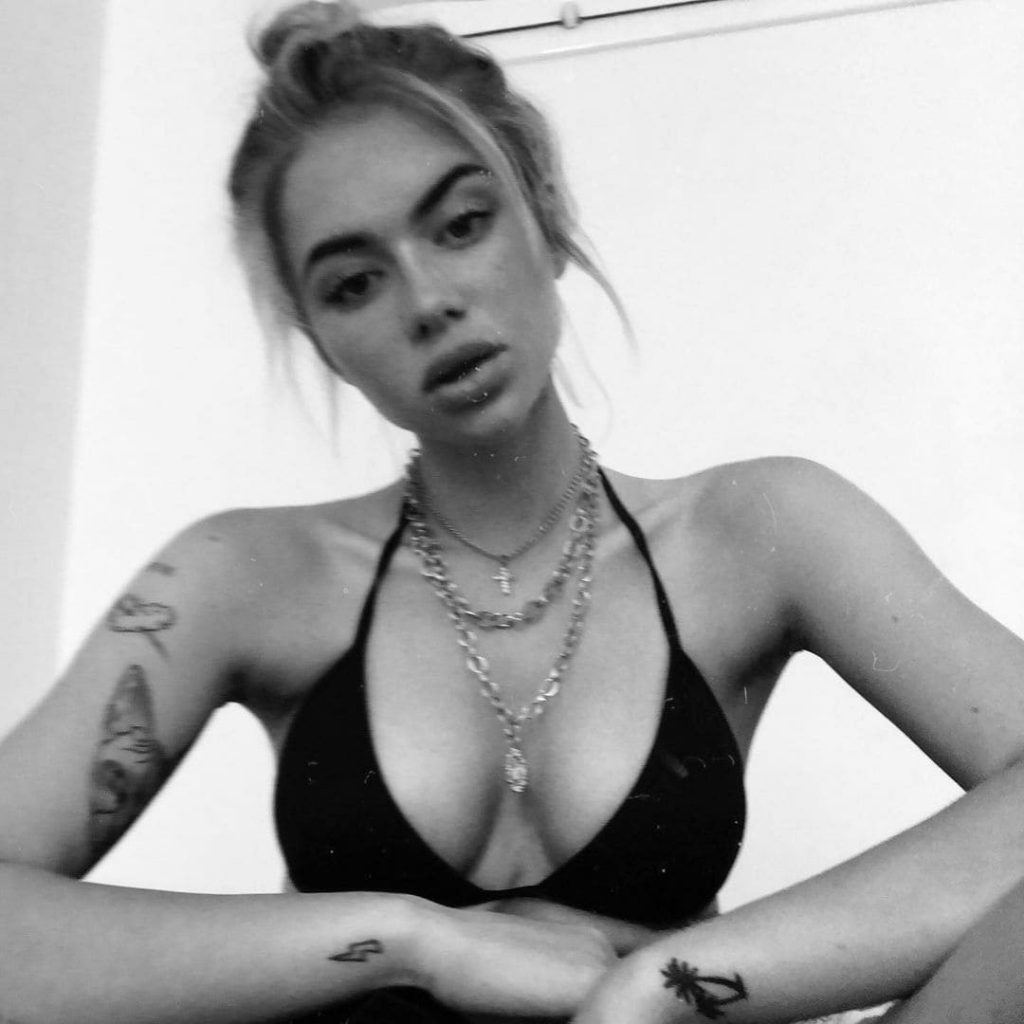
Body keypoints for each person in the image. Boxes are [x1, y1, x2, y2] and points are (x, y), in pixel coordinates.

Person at [1, 2, 1023, 1022]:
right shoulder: (245, 576)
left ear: (546, 215)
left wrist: (662, 987)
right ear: (320, 340)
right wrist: (414, 941)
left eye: (460, 225)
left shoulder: (757, 531)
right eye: (354, 283)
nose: (428, 301)